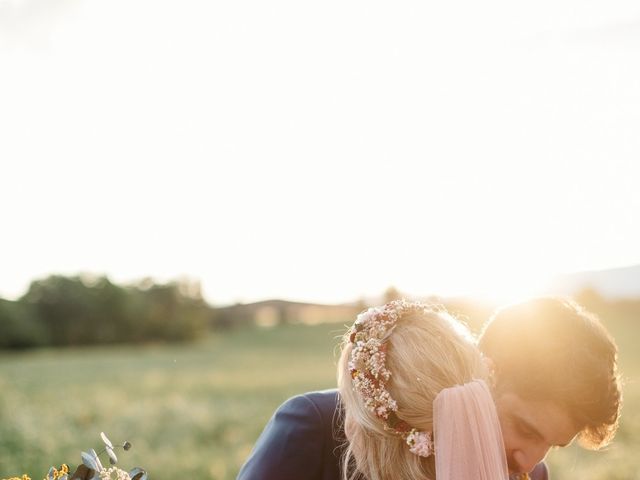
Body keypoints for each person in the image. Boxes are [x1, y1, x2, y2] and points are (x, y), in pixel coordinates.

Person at [237, 296, 622, 480]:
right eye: (526, 428)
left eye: (553, 444)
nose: (530, 460)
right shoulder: (315, 427)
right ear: (482, 374)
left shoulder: (532, 475)